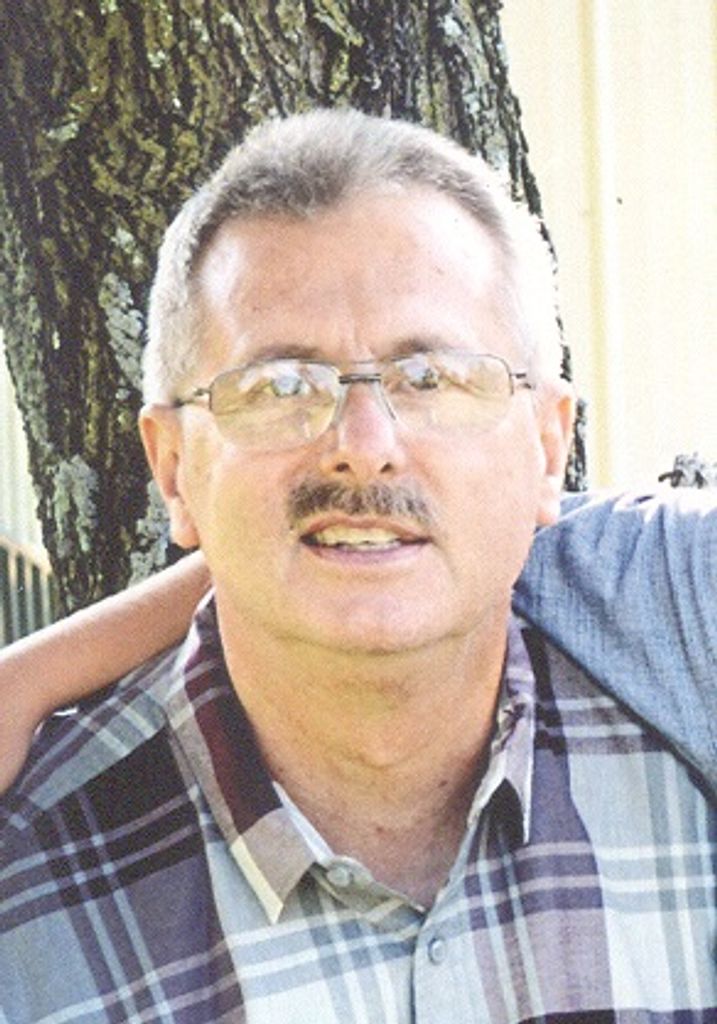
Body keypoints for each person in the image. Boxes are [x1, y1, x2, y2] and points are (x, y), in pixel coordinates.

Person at [1, 109, 714, 1023]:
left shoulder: (687, 659)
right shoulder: (24, 905)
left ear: (548, 445)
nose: (364, 447)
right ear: (173, 468)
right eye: (279, 387)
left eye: (432, 378)